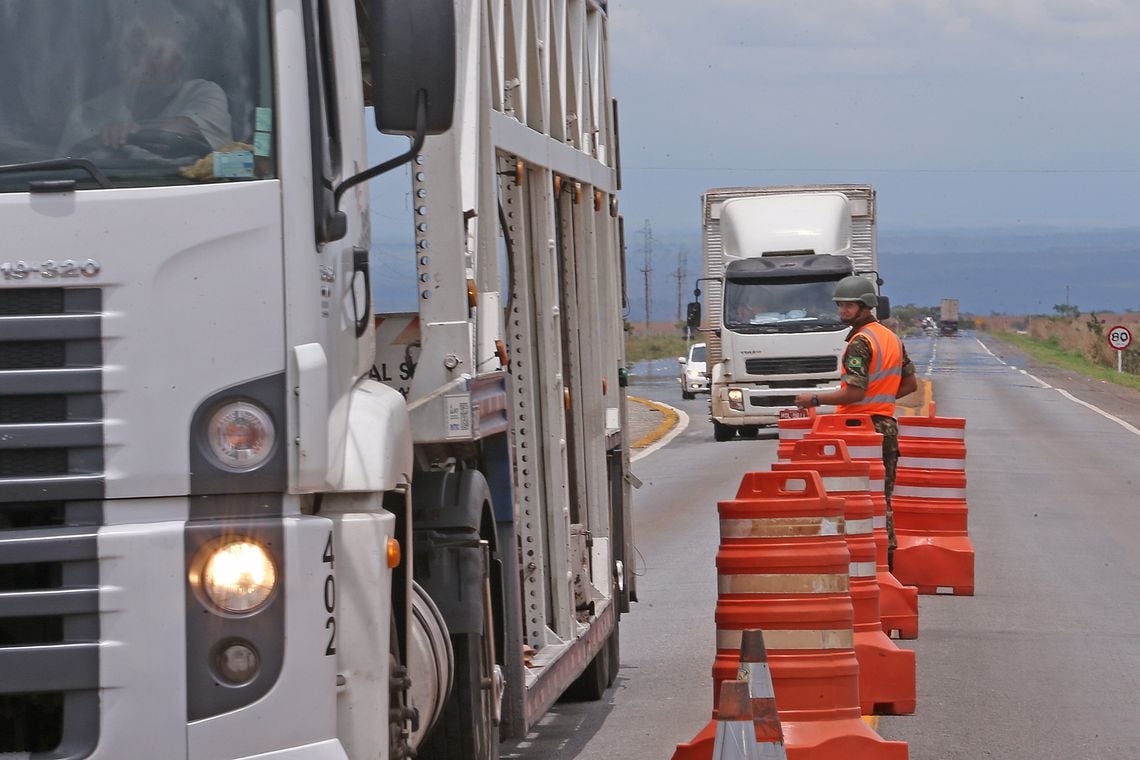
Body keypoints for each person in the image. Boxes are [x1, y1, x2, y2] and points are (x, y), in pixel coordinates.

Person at [794, 275, 917, 569]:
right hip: (885, 427)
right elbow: (909, 383)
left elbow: (855, 391)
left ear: (866, 306)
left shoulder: (861, 342)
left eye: (850, 306)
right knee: (882, 499)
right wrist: (882, 397)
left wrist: (813, 400)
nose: (843, 311)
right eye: (841, 305)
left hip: (858, 431)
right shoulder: (891, 338)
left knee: (852, 498)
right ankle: (887, 564)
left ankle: (855, 560)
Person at [57, 18, 232, 156]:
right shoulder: (87, 114)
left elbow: (181, 129)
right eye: (134, 53)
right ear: (118, 60)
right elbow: (65, 174)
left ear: (179, 59)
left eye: (156, 53)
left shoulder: (203, 93)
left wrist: (131, 133)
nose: (143, 64)